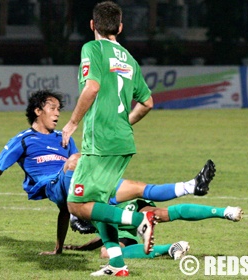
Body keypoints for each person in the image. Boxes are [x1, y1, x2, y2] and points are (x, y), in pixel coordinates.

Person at [0, 89, 217, 257]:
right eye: (52, 108)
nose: (57, 114)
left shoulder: (63, 138)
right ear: (37, 111)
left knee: (134, 186)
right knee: (76, 162)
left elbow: (64, 209)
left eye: (58, 109)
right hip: (53, 182)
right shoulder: (23, 140)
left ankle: (189, 186)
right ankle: (133, 220)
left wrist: (58, 248)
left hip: (73, 185)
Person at [60, 1, 155, 276]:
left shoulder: (92, 48)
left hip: (99, 141)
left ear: (92, 25)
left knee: (76, 205)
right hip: (123, 141)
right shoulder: (129, 58)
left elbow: (91, 87)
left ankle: (138, 220)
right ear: (120, 27)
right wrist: (124, 123)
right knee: (100, 204)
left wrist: (72, 123)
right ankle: (117, 264)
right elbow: (147, 102)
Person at [65, 199, 243, 260]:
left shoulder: (92, 212)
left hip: (124, 207)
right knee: (107, 252)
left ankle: (224, 212)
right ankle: (171, 248)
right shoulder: (91, 211)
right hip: (124, 224)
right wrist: (81, 248)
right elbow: (106, 238)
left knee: (162, 214)